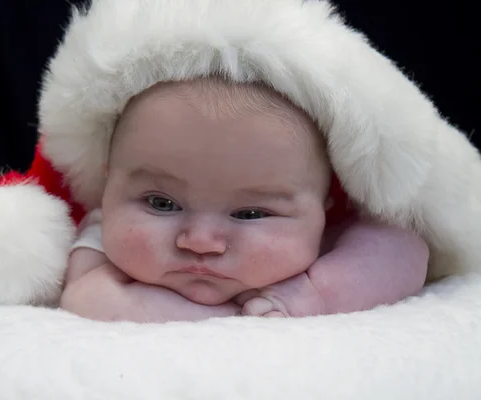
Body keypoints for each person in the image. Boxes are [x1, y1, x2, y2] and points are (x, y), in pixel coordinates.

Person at [59, 77, 430, 323]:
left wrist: (311, 297)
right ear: (109, 190)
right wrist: (226, 318)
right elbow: (85, 299)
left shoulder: (319, 243)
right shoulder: (102, 233)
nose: (201, 241)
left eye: (251, 213)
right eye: (161, 203)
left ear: (322, 209)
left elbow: (407, 248)